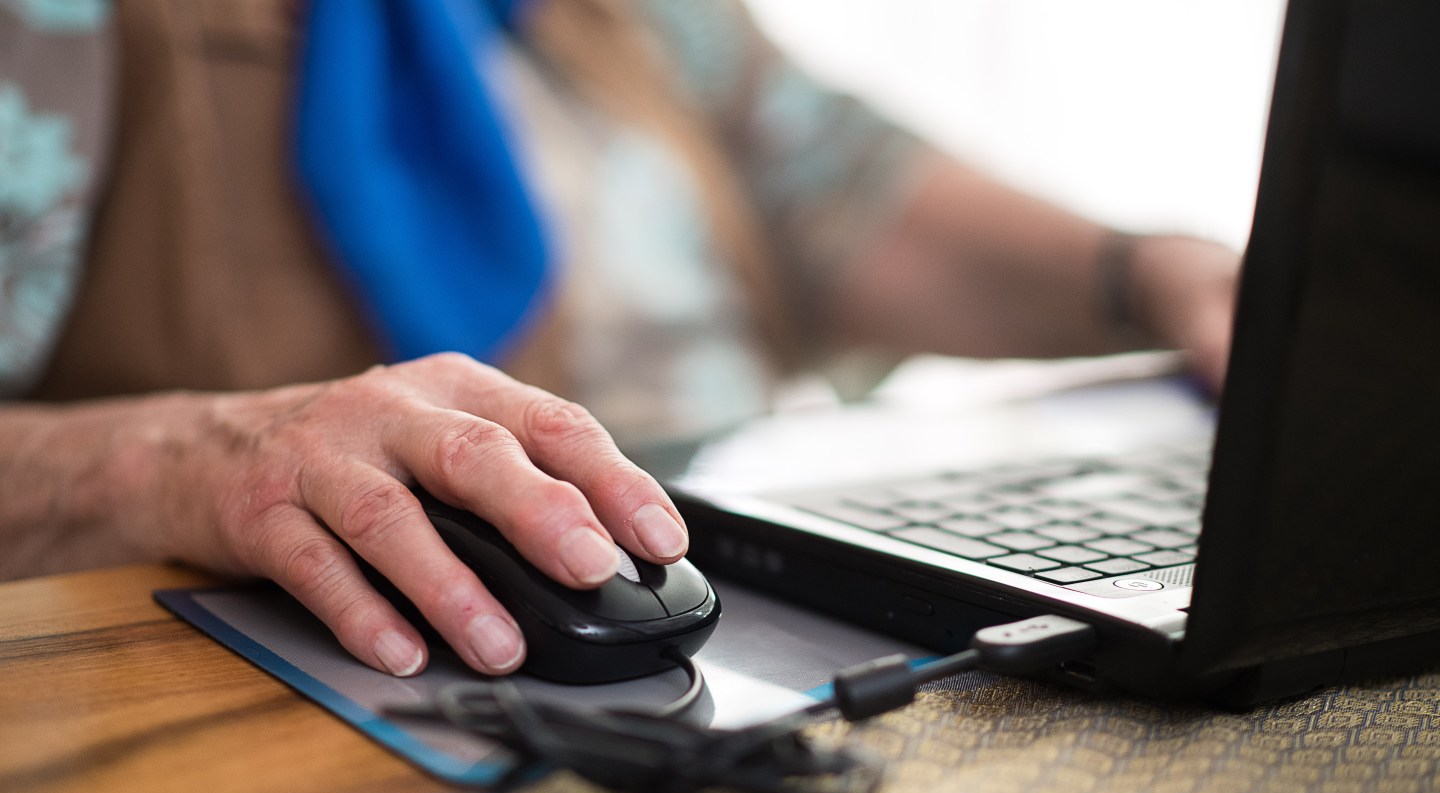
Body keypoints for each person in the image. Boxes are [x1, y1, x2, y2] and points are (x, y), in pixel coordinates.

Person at [0, 0, 1238, 679]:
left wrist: (1147, 270)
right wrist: (185, 457)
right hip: (325, 690)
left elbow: (855, 198)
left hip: (758, 611)